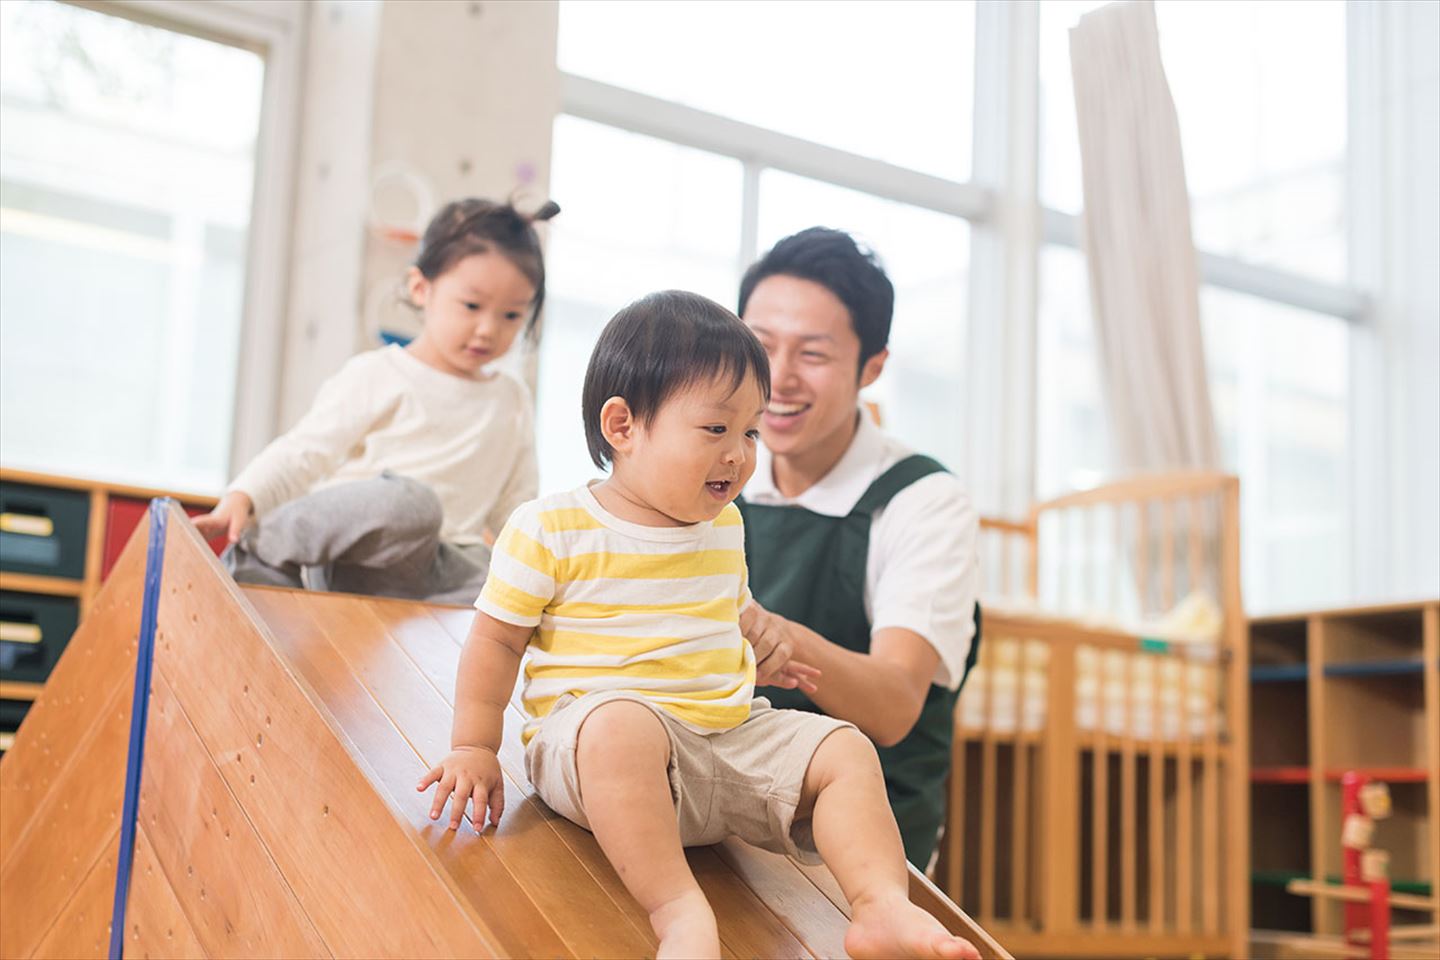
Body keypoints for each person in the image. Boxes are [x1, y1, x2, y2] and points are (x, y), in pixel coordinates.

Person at [419, 291, 979, 960]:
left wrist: (758, 648)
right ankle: (680, 913)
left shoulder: (725, 526)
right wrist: (476, 746)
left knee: (846, 749)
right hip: (601, 749)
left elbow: (721, 616)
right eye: (717, 430)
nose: (741, 454)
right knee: (622, 726)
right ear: (622, 426)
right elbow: (497, 639)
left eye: (750, 431)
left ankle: (882, 905)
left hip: (720, 738)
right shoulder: (551, 526)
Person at [735, 227, 980, 869]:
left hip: (861, 842)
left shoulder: (922, 500)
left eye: (812, 354)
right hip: (726, 806)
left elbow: (897, 705)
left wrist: (775, 636)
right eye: (759, 347)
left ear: (872, 367)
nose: (777, 379)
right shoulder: (716, 469)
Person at [194, 198, 556, 604]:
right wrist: (245, 496)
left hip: (441, 571)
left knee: (512, 594)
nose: (488, 329)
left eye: (511, 316)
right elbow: (305, 452)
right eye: (471, 306)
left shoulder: (512, 400)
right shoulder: (379, 373)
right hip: (354, 557)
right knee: (414, 506)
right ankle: (261, 555)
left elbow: (518, 509)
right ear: (421, 289)